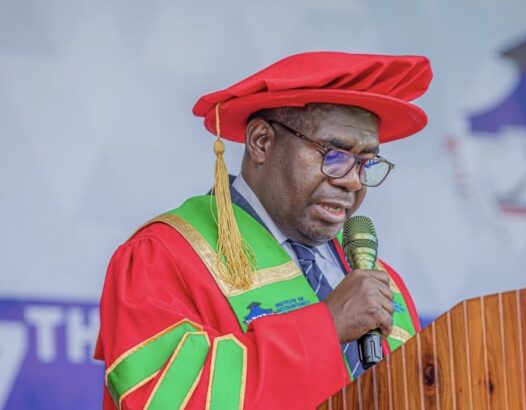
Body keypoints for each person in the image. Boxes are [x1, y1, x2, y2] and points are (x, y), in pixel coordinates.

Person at [95, 51, 432, 409]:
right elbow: (165, 398)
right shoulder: (166, 256)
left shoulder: (376, 281)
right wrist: (325, 328)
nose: (353, 182)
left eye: (366, 163)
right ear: (261, 142)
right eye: (334, 155)